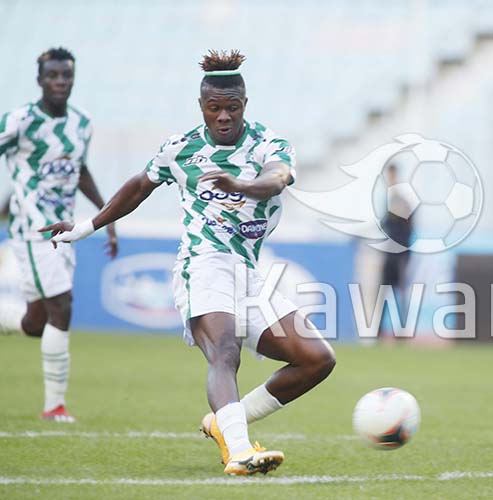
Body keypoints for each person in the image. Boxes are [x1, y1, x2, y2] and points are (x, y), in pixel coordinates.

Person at [41, 50, 335, 476]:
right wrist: (88, 226)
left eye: (231, 108)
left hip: (248, 272)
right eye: (214, 108)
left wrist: (244, 185)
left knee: (315, 359)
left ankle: (225, 422)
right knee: (224, 351)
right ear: (201, 107)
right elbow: (140, 185)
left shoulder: (270, 144)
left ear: (245, 105)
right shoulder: (181, 150)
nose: (223, 117)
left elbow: (277, 178)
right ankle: (237, 450)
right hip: (203, 263)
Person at [0, 47, 117, 423]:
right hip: (31, 229)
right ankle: (55, 407)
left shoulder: (81, 124)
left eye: (66, 75)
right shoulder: (20, 121)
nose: (60, 82)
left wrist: (106, 215)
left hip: (66, 230)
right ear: (40, 80)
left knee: (36, 323)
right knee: (62, 305)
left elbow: (79, 171)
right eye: (53, 76)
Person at [378, 164, 414, 339]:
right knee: (384, 291)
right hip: (389, 252)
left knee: (400, 292)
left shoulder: (401, 199)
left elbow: (407, 227)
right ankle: (379, 331)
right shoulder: (390, 198)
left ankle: (402, 331)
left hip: (400, 253)